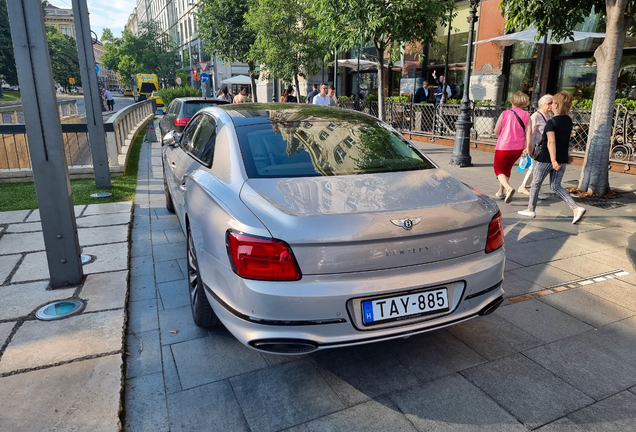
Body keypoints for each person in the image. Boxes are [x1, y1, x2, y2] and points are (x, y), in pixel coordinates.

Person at [518, 91, 586, 223]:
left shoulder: (552, 123)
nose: (551, 105)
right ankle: (576, 208)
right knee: (555, 186)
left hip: (546, 158)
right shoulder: (568, 121)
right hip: (562, 158)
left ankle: (530, 209)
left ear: (556, 105)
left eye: (553, 103)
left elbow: (551, 142)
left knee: (536, 184)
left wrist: (553, 160)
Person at [493, 91, 530, 203]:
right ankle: (501, 191)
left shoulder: (505, 113)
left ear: (512, 101)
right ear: (524, 102)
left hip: (504, 146)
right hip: (519, 147)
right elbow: (529, 132)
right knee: (507, 168)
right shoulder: (527, 114)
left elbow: (496, 131)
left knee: (498, 169)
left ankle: (509, 188)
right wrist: (527, 147)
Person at [518, 94, 553, 199]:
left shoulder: (549, 115)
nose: (551, 105)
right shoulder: (535, 116)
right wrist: (529, 146)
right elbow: (531, 132)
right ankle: (535, 189)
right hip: (537, 147)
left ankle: (524, 186)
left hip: (545, 147)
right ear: (541, 104)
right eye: (549, 103)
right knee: (536, 168)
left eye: (552, 103)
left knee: (535, 168)